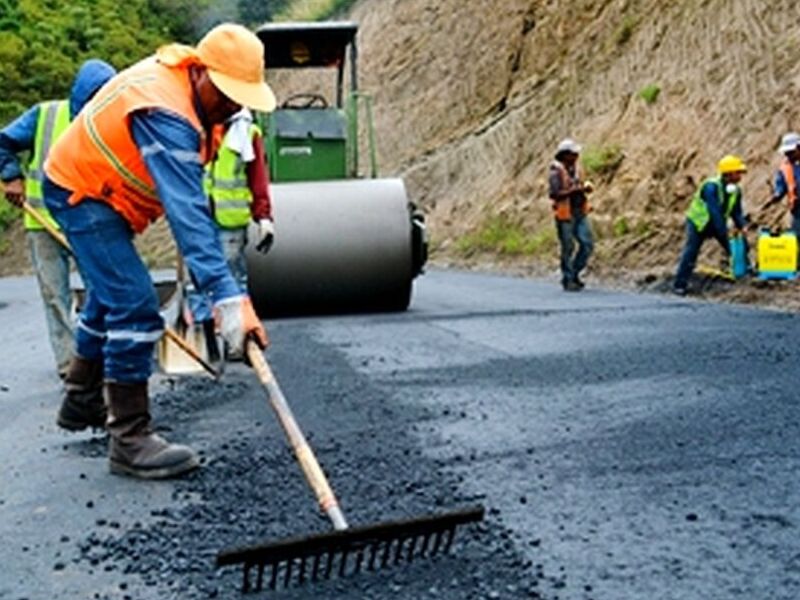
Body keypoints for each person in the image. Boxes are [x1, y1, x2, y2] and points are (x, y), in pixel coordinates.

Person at [42, 23, 274, 480]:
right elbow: (186, 211)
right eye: (226, 93)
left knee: (111, 296)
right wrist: (228, 298)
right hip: (82, 192)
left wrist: (223, 293)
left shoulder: (201, 108)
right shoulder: (163, 109)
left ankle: (81, 399)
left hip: (104, 196)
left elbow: (191, 206)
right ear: (201, 73)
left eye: (240, 97)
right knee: (134, 303)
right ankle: (129, 440)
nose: (233, 105)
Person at [0, 60, 116, 379]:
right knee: (55, 295)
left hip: (88, 224)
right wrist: (11, 176)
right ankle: (70, 364)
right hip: (44, 223)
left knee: (101, 290)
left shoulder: (110, 123)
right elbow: (3, 142)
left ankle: (99, 356)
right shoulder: (46, 115)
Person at [186, 107, 274, 358]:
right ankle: (205, 342)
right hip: (199, 218)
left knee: (232, 279)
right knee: (198, 280)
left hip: (230, 221)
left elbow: (258, 178)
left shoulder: (247, 132)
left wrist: (264, 216)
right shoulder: (198, 127)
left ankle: (238, 340)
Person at [673, 155, 748, 296]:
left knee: (738, 248)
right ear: (729, 173)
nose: (740, 176)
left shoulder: (735, 190)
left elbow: (736, 212)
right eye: (738, 172)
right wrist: (723, 233)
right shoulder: (711, 187)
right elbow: (715, 213)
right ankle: (680, 284)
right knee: (691, 252)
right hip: (698, 223)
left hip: (716, 224)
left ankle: (745, 272)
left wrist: (742, 225)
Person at [548, 138, 594, 291]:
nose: (576, 156)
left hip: (579, 211)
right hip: (565, 214)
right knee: (568, 247)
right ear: (565, 154)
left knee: (587, 244)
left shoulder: (576, 169)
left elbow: (578, 185)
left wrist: (583, 188)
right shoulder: (556, 171)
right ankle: (568, 279)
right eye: (573, 153)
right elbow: (554, 193)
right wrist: (575, 191)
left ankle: (573, 273)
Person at [763, 132, 800, 237]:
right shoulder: (785, 168)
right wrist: (775, 196)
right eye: (786, 153)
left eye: (791, 152)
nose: (788, 155)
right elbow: (781, 188)